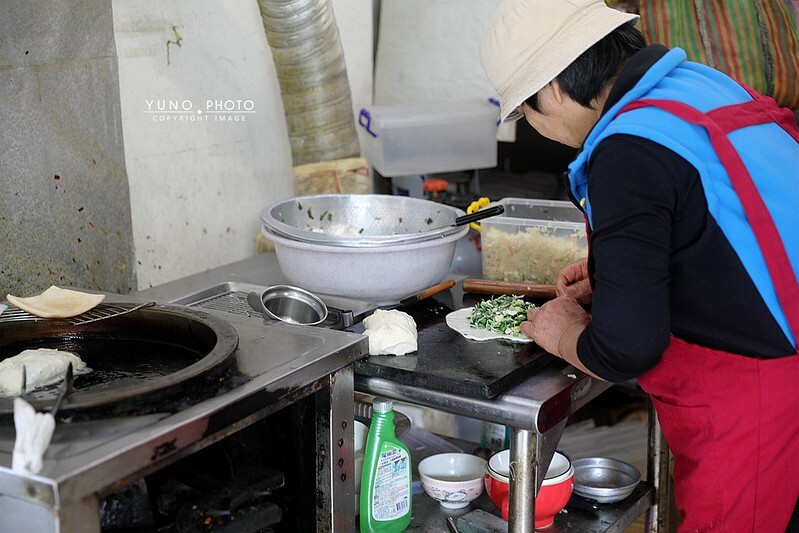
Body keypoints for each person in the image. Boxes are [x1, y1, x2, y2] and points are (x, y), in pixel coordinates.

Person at [479, 0, 799, 531]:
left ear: (552, 87)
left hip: (757, 403)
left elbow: (625, 348)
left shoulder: (628, 147)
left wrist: (563, 334)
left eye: (525, 113)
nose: (534, 127)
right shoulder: (700, 85)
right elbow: (730, 217)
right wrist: (623, 270)